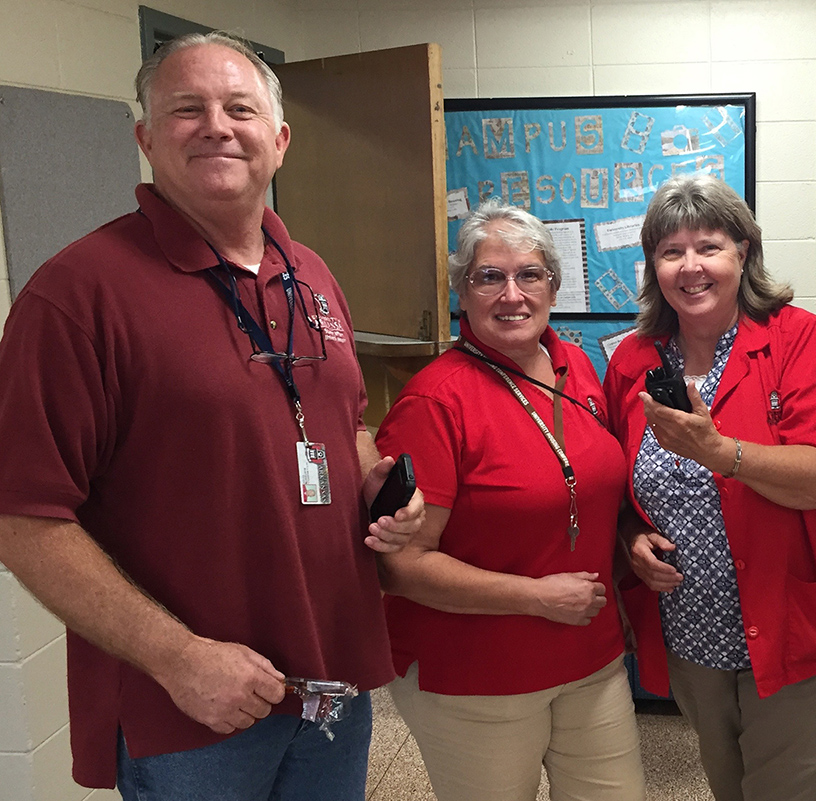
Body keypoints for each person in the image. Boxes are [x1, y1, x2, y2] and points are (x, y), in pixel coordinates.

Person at [0, 32, 425, 799]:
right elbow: (22, 516)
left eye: (240, 108)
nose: (217, 126)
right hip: (192, 710)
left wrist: (377, 485)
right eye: (187, 108)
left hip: (333, 680)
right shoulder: (76, 296)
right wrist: (177, 657)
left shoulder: (312, 274)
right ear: (146, 137)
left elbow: (346, 423)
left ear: (280, 139)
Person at [604, 172, 816, 801]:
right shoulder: (634, 360)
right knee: (730, 788)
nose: (691, 267)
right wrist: (630, 537)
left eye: (709, 247)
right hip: (693, 632)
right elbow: (620, 485)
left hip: (802, 626)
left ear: (744, 253)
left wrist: (720, 453)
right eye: (671, 252)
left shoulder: (797, 338)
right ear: (654, 267)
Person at [374, 200, 646, 801]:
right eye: (488, 277)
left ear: (553, 284)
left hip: (589, 653)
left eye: (529, 275)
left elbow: (591, 490)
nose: (511, 294)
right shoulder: (435, 402)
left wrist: (625, 555)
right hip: (476, 673)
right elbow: (402, 566)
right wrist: (536, 597)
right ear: (462, 293)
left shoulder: (576, 366)